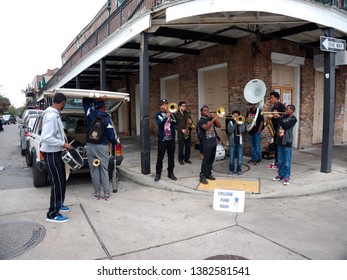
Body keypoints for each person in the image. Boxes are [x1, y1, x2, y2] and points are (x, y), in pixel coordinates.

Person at [41, 92, 72, 223]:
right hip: (51, 154)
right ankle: (52, 214)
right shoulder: (51, 116)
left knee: (62, 181)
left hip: (56, 153)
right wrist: (62, 144)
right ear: (63, 102)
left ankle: (59, 204)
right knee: (57, 183)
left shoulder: (54, 115)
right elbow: (46, 138)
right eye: (65, 104)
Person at [83, 98, 118, 200]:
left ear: (95, 106)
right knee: (103, 170)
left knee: (94, 170)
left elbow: (85, 102)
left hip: (90, 146)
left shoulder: (90, 115)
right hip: (102, 147)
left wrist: (93, 97)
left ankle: (97, 193)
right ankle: (106, 193)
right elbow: (111, 135)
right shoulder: (106, 118)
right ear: (103, 107)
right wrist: (114, 143)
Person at [272, 105, 297, 186]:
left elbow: (286, 126)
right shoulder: (283, 117)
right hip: (280, 140)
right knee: (280, 161)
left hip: (287, 142)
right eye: (285, 109)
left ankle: (287, 177)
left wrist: (279, 117)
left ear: (292, 111)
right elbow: (278, 124)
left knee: (287, 161)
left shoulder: (293, 119)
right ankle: (280, 175)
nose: (285, 110)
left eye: (287, 109)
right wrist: (273, 116)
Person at [154, 99, 177, 182]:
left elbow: (176, 122)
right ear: (160, 106)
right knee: (160, 157)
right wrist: (166, 117)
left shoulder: (171, 114)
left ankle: (170, 173)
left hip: (171, 139)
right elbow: (160, 125)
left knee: (171, 157)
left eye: (166, 104)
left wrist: (171, 115)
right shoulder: (157, 115)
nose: (165, 106)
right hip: (163, 139)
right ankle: (158, 174)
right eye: (163, 105)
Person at [197, 105, 221, 184]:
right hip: (206, 143)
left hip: (213, 142)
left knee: (211, 160)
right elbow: (206, 127)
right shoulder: (201, 121)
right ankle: (202, 176)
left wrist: (215, 118)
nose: (207, 112)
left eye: (207, 110)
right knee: (206, 160)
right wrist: (214, 119)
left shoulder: (211, 118)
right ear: (201, 112)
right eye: (205, 110)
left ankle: (208, 173)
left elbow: (219, 126)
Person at [266, 91, 286, 170]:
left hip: (281, 129)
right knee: (276, 145)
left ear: (276, 98)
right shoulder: (273, 107)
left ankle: (280, 162)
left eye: (272, 98)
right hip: (274, 128)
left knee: (280, 145)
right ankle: (277, 161)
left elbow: (284, 116)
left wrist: (278, 115)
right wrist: (269, 117)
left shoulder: (281, 106)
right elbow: (273, 116)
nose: (271, 99)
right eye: (270, 98)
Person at [227, 110, 246, 176]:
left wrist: (239, 123)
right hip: (232, 142)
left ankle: (239, 170)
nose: (236, 117)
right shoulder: (230, 123)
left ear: (239, 116)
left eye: (237, 116)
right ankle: (231, 170)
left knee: (240, 158)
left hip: (240, 143)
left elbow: (242, 130)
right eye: (234, 116)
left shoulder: (242, 122)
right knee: (231, 158)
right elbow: (230, 130)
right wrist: (235, 123)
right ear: (232, 116)